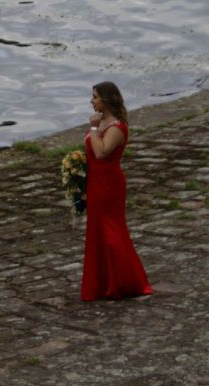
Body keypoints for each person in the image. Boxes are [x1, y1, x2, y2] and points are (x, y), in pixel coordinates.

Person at [80, 81, 153, 301]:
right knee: (97, 231)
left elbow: (101, 152)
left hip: (109, 185)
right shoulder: (103, 122)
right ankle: (102, 282)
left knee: (112, 231)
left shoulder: (116, 127)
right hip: (95, 182)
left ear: (106, 99)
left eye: (95, 97)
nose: (91, 101)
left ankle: (124, 280)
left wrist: (93, 128)